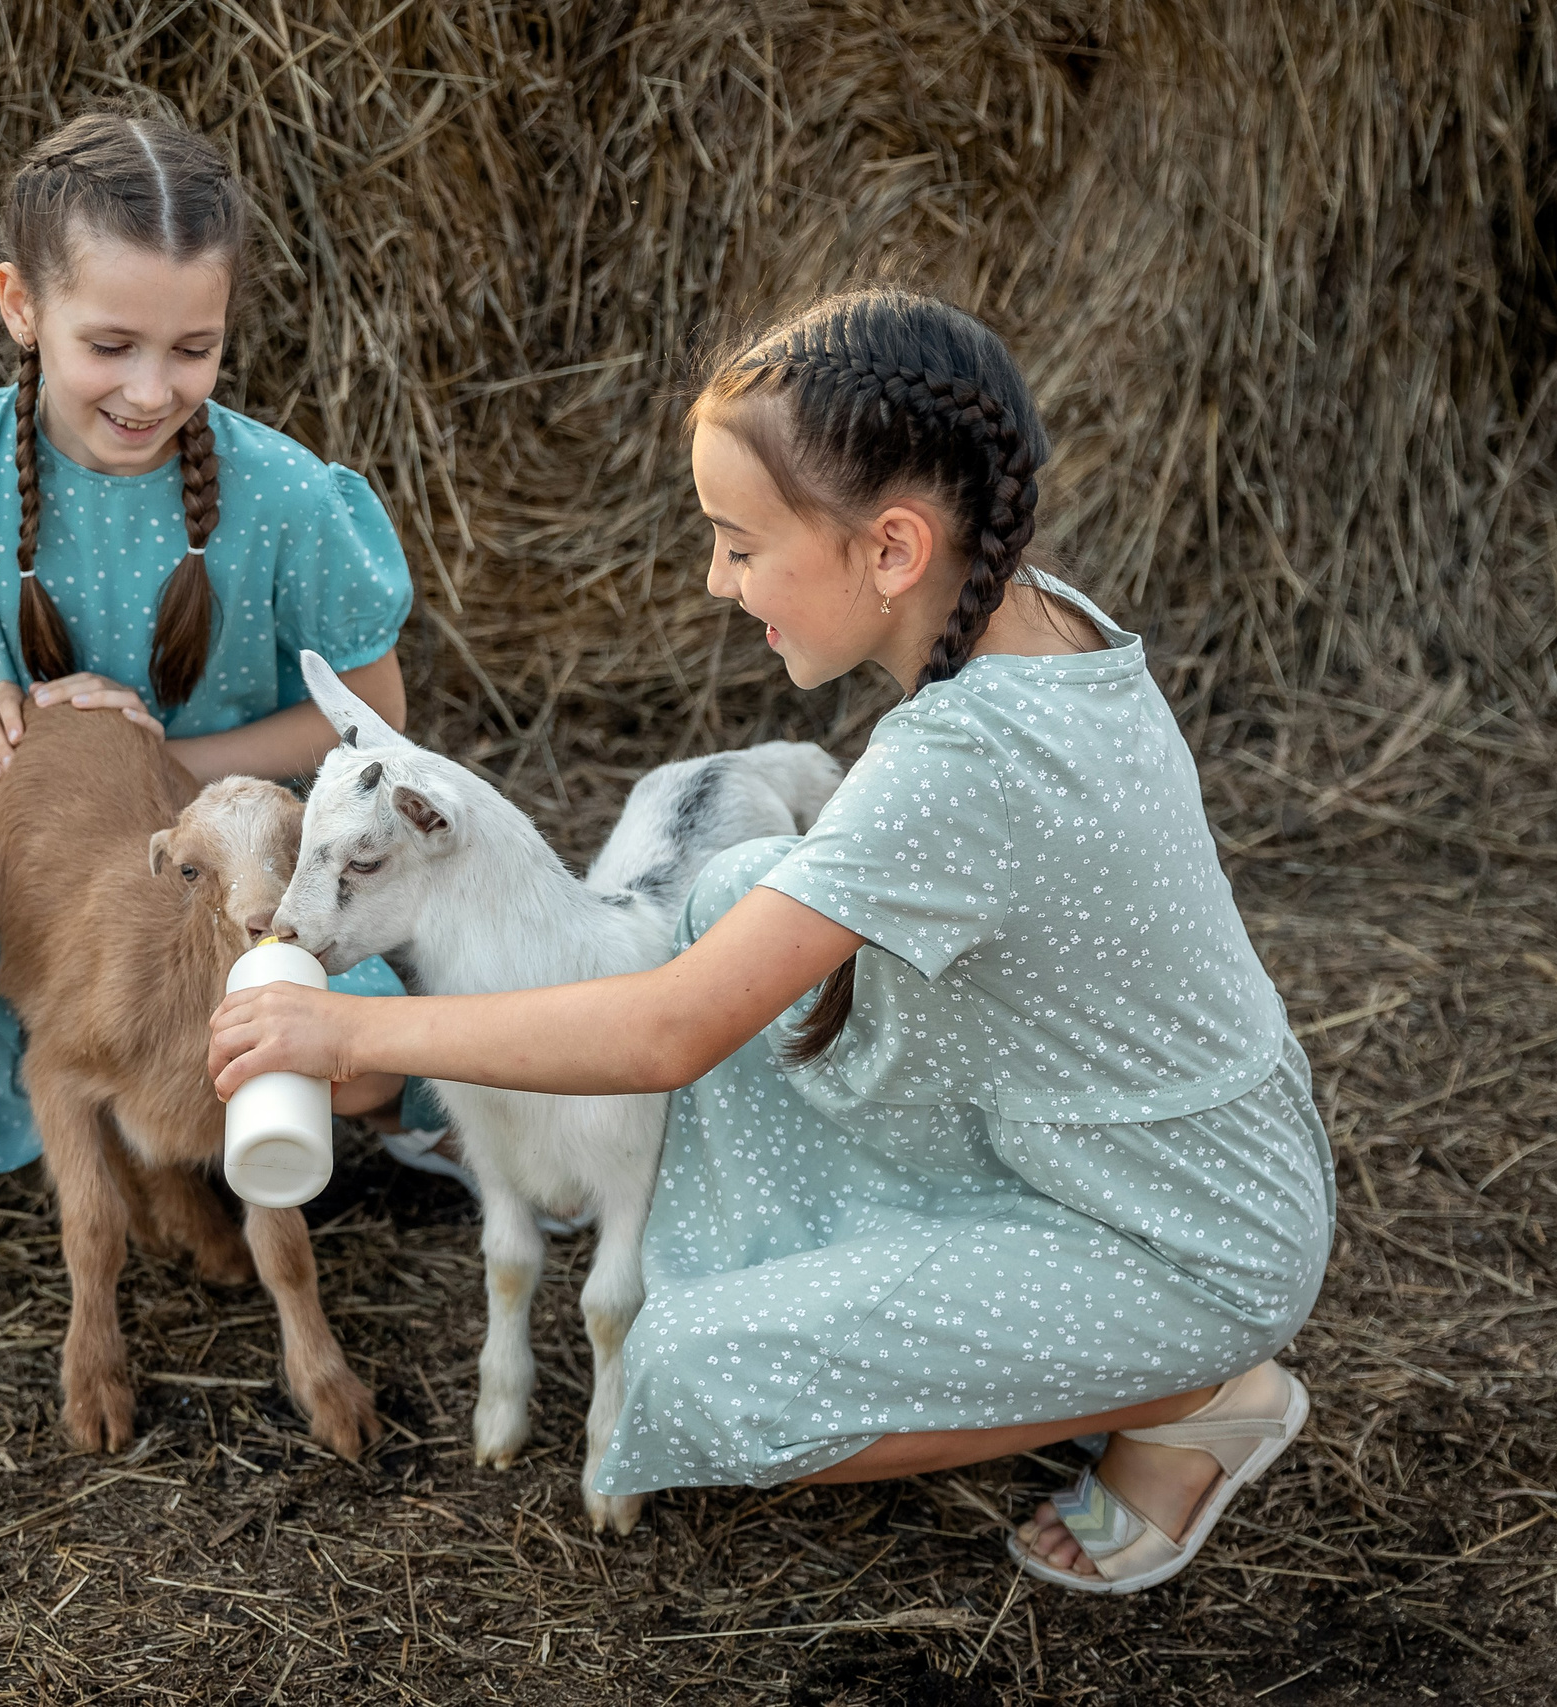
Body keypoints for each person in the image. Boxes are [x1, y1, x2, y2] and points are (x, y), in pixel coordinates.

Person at [207, 289, 1335, 1594]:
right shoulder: (1039, 616)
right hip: (1118, 1124)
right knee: (721, 891)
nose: (714, 579)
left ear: (893, 548)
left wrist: (350, 1027)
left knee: (706, 1381)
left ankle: (1198, 1387)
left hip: (1187, 1231)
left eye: (738, 545)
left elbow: (669, 1029)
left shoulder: (962, 764)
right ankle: (1030, 1326)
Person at [0, 106, 438, 1342]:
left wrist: (168, 759)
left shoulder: (280, 495)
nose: (151, 389)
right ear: (19, 305)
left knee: (367, 1059)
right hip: (23, 835)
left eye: (193, 349)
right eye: (110, 344)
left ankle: (419, 1115)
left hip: (225, 853)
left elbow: (372, 717)